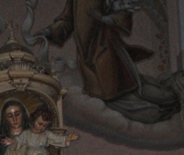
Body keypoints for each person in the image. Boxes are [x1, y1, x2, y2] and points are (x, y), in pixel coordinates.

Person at [39, 0, 180, 123]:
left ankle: (165, 103)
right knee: (117, 96)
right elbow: (67, 19)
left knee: (124, 93)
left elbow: (122, 10)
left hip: (106, 47)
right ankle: (163, 103)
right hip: (87, 55)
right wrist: (49, 31)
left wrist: (107, 20)